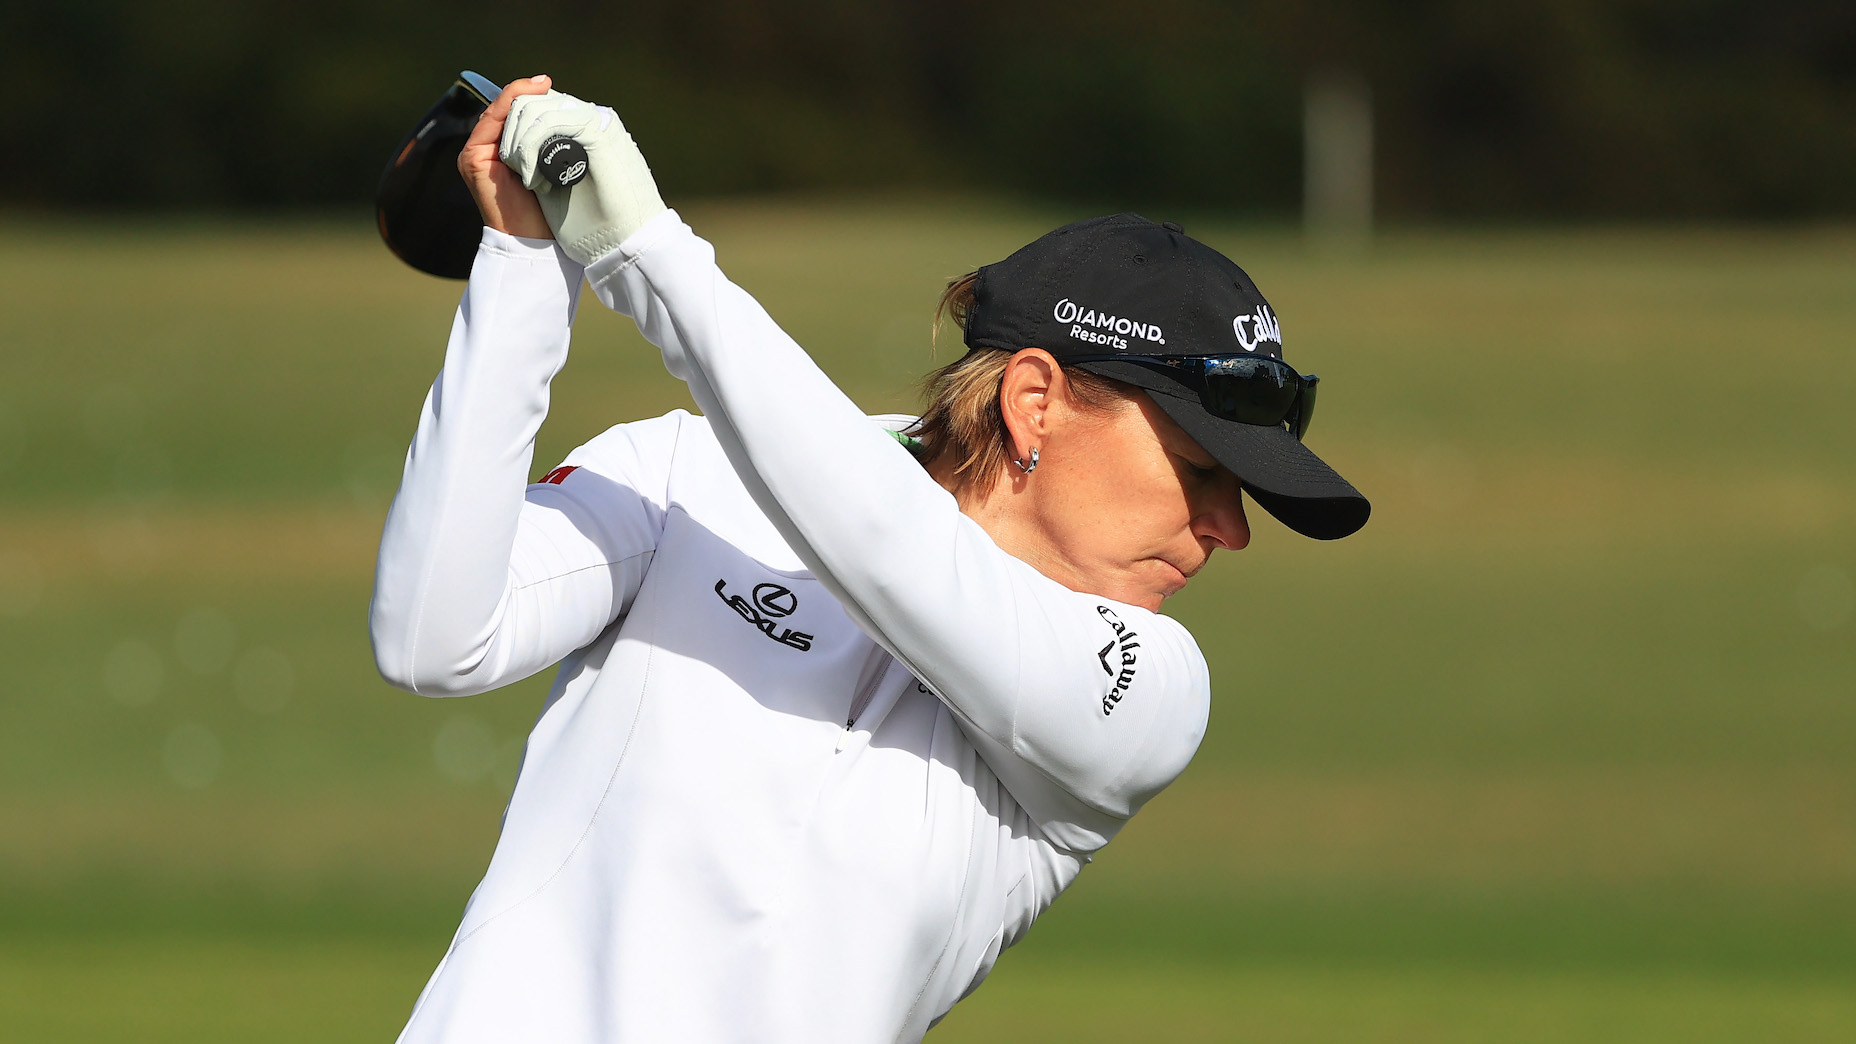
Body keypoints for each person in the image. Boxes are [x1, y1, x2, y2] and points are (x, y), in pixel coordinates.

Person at [369, 75, 1368, 1043]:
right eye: (1201, 471)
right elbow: (432, 639)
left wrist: (646, 256)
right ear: (1033, 403)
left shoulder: (1151, 690)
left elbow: (899, 556)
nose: (1227, 529)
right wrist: (519, 267)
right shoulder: (686, 472)